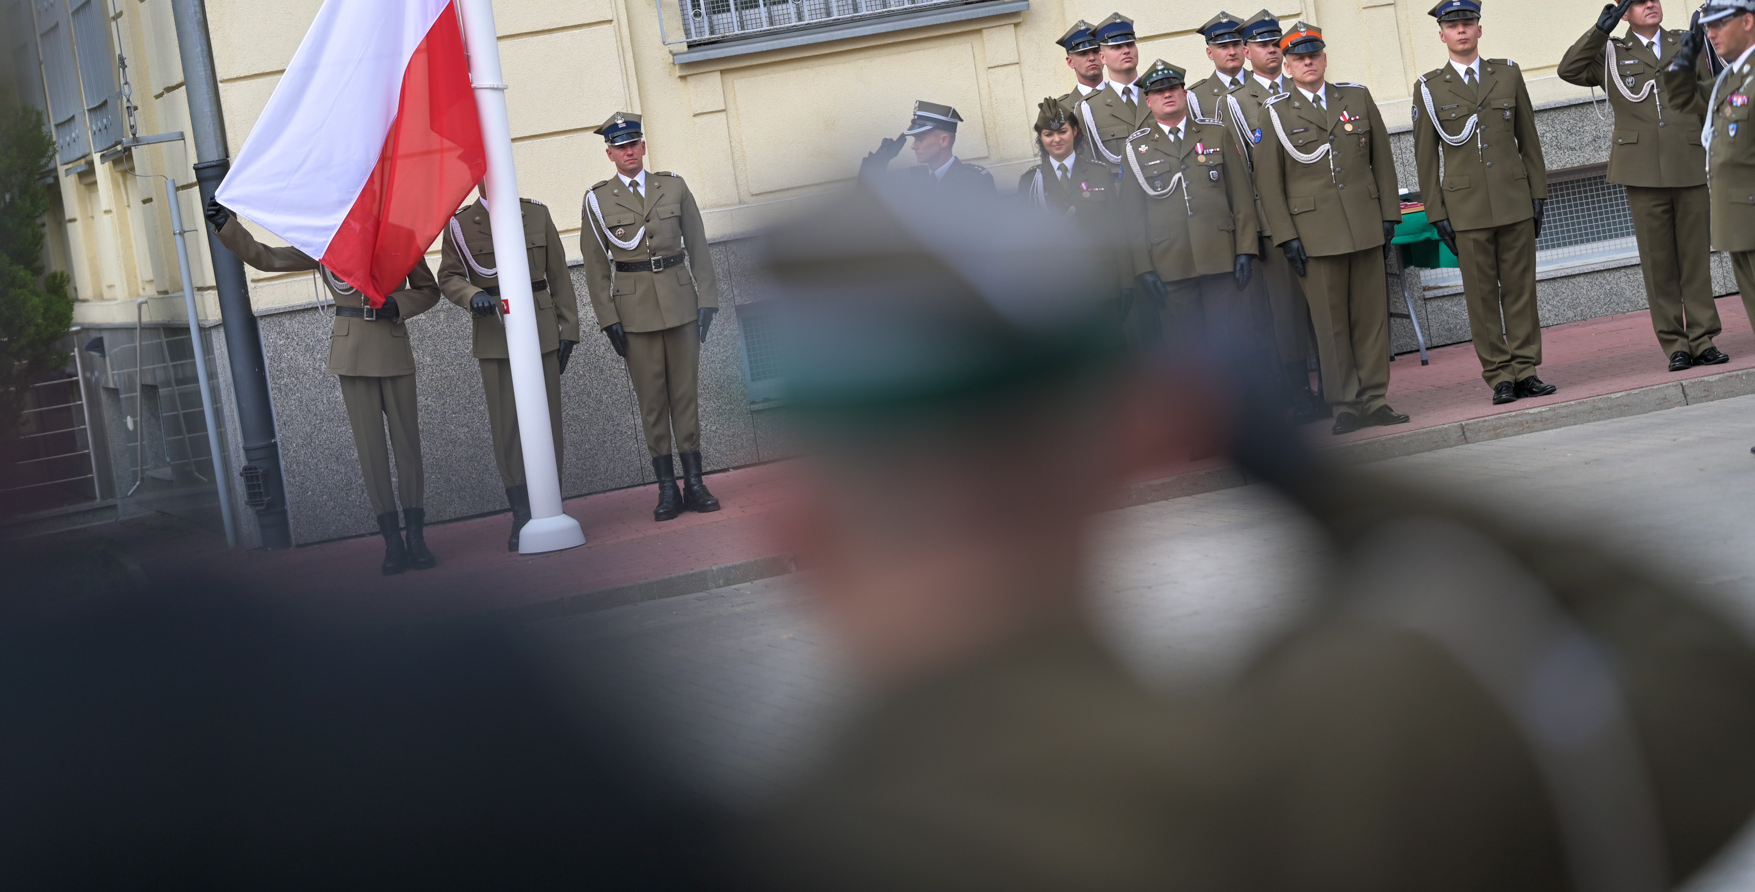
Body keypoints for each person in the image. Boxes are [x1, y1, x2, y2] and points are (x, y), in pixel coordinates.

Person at [744, 183, 1755, 892]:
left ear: (797, 528)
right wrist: (1306, 473)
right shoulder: (1360, 752)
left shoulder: (766, 852)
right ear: (1136, 448)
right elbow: (1708, 686)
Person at [200, 200, 442, 575]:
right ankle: (392, 542)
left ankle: (416, 536)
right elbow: (267, 258)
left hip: (393, 344)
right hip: (352, 353)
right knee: (372, 454)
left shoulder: (400, 237)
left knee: (408, 448)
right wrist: (227, 225)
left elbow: (428, 290)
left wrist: (397, 303)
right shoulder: (326, 242)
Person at [1559, 0, 1725, 371]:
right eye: (1639, 2)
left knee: (1695, 258)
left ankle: (1703, 339)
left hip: (1689, 161)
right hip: (1642, 170)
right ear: (1624, 13)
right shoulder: (1611, 53)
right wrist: (1599, 31)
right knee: (1658, 262)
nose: (1650, 5)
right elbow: (1570, 70)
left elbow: (1711, 96)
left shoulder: (1686, 42)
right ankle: (1676, 344)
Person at [1253, 23, 1408, 434]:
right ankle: (1345, 405)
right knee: (1331, 325)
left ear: (1324, 58)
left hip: (1364, 225)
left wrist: (1389, 215)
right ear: (1287, 66)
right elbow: (1268, 184)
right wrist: (1287, 237)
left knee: (1371, 321)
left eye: (1314, 55)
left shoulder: (1355, 97)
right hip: (1315, 236)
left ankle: (1375, 399)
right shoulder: (1275, 112)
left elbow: (1382, 160)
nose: (1308, 62)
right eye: (1299, 58)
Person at [1413, 0, 1554, 407]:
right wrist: (1436, 212)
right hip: (1466, 209)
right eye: (1452, 25)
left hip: (1513, 200)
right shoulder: (1429, 88)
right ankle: (1499, 376)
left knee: (1520, 291)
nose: (1461, 30)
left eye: (1467, 23)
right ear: (1441, 35)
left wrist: (1538, 194)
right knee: (1481, 296)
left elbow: (1529, 140)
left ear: (1479, 29)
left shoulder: (1507, 74)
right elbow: (1425, 157)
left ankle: (1526, 369)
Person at [580, 112, 720, 521]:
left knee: (685, 396)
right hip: (635, 312)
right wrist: (608, 319)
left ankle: (694, 482)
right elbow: (595, 266)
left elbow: (698, 245)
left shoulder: (673, 186)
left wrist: (708, 299)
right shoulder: (598, 199)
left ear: (643, 146)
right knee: (653, 402)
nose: (629, 151)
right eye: (620, 147)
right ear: (609, 154)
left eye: (633, 144)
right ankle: (667, 488)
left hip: (680, 305)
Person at [438, 182, 580, 551]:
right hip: (495, 333)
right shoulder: (461, 224)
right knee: (507, 427)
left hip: (540, 328)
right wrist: (472, 295)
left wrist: (569, 329)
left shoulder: (535, 213)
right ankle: (520, 513)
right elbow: (449, 276)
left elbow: (558, 275)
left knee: (549, 420)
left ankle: (550, 502)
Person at [1665, 0, 1755, 451]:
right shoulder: (1730, 79)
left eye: (1720, 23)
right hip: (1739, 224)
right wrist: (1683, 62)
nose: (1712, 33)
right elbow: (1683, 100)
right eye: (1708, 26)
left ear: (1749, 21)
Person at [1227, 11, 1325, 421]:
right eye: (1263, 44)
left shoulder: (1304, 86)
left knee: (1322, 309)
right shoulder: (1236, 101)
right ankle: (1298, 391)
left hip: (1316, 214)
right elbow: (1244, 171)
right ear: (1246, 51)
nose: (1271, 49)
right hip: (1273, 222)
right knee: (1286, 314)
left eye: (1275, 43)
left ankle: (1333, 388)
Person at [1120, 60, 1259, 342]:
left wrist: (1246, 249)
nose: (1167, 94)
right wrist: (1143, 268)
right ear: (1148, 100)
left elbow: (1241, 198)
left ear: (1184, 93)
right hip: (1170, 263)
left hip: (1221, 256)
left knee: (1231, 342)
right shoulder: (1136, 148)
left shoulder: (1216, 132)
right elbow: (1132, 216)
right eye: (1159, 91)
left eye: (1173, 88)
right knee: (1186, 348)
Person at [1018, 96, 1134, 297]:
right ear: (1041, 138)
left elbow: (1117, 230)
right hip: (1055, 289)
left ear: (1075, 131)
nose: (1056, 139)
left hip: (1102, 284)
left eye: (1062, 131)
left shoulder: (1099, 173)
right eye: (1048, 134)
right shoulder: (1030, 181)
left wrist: (1127, 283)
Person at [862, 100, 997, 197]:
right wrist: (879, 160)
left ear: (944, 140)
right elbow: (867, 200)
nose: (913, 146)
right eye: (914, 139)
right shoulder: (912, 179)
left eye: (920, 139)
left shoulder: (974, 181)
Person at [1071, 10, 1150, 164]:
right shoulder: (1090, 108)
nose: (1126, 50)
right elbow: (1090, 164)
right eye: (1117, 46)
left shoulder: (1160, 93)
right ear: (1102, 57)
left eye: (1130, 44)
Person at [1186, 11, 1252, 122]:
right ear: (1210, 53)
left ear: (1244, 48)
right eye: (1223, 47)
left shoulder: (1262, 83)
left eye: (1236, 44)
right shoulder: (1196, 97)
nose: (1232, 52)